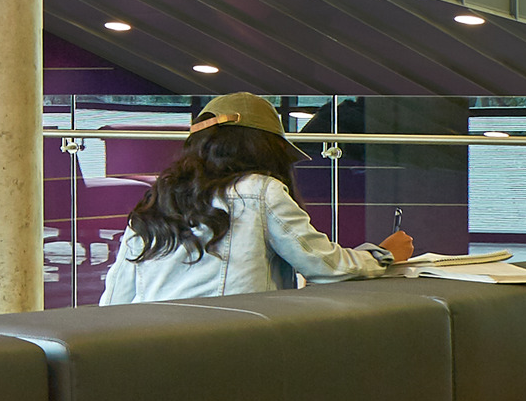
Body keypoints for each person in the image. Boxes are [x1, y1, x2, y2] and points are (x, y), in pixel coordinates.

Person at [100, 93, 396, 304]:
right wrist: (382, 254)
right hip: (234, 346)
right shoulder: (259, 190)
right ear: (265, 148)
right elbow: (324, 265)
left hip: (149, 346)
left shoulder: (157, 198)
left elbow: (116, 295)